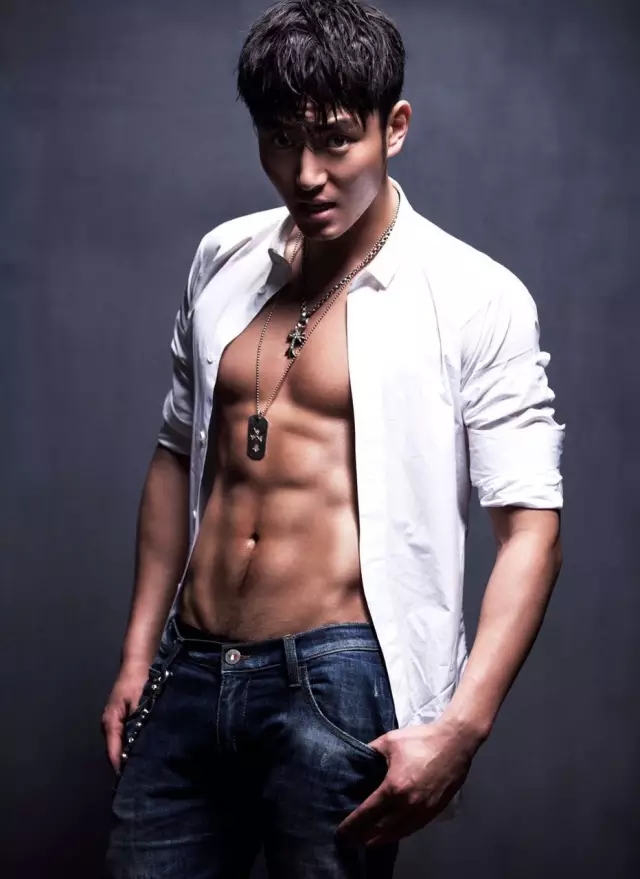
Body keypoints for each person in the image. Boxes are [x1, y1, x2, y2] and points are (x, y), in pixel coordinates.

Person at [102, 0, 564, 876]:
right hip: (190, 663)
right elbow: (175, 453)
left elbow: (532, 526)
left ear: (395, 128)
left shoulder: (474, 295)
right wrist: (136, 657)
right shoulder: (222, 260)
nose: (305, 173)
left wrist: (462, 727)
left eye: (336, 141)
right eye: (280, 139)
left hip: (336, 682)